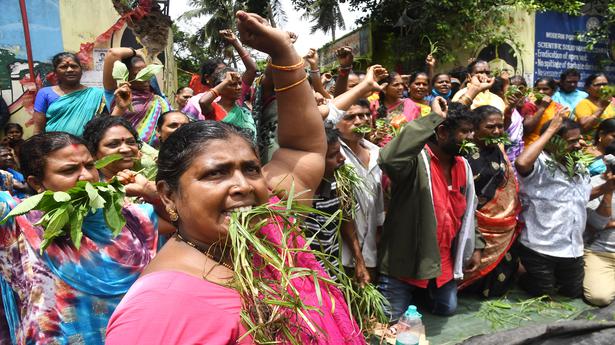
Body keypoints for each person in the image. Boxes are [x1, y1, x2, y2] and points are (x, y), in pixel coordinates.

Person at [106, 12, 363, 344]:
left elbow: (301, 149)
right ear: (168, 195)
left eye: (251, 168)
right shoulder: (160, 307)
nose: (243, 186)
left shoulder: (268, 223)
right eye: (216, 174)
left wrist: (284, 54)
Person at [0, 132, 168, 344]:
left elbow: (182, 220)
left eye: (90, 166)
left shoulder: (126, 216)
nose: (87, 176)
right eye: (69, 170)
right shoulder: (19, 222)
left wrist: (150, 191)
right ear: (36, 183)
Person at [377, 94, 489, 319]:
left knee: (447, 309)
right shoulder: (414, 161)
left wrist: (475, 246)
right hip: (404, 264)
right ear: (442, 132)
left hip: (443, 263)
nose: (471, 137)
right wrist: (433, 118)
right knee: (390, 321)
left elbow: (468, 211)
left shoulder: (463, 166)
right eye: (464, 132)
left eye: (472, 131)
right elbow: (388, 159)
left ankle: (422, 294)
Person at [515, 113, 615, 298]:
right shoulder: (540, 164)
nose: (578, 145)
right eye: (572, 141)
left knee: (572, 294)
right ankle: (520, 269)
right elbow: (521, 162)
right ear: (553, 142)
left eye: (579, 139)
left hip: (572, 248)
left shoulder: (579, 166)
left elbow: (580, 195)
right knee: (544, 294)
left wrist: (605, 188)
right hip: (540, 246)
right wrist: (551, 129)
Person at [458, 105, 520, 297]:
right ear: (475, 128)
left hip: (503, 225)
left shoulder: (499, 148)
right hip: (474, 223)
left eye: (500, 126)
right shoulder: (463, 155)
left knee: (500, 280)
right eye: (490, 127)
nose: (497, 131)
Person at [304, 126, 370, 284]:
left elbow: (347, 220)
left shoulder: (339, 184)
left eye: (340, 151)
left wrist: (359, 261)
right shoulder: (297, 193)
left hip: (332, 274)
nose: (342, 159)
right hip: (304, 279)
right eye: (333, 155)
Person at [334, 99, 385, 283]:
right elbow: (343, 211)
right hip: (343, 253)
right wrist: (358, 258)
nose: (359, 121)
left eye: (364, 115)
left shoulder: (378, 153)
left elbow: (379, 207)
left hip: (371, 249)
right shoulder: (335, 156)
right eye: (350, 117)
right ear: (336, 122)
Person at [182, 29, 257, 121]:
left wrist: (235, 42)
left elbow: (252, 70)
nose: (228, 74)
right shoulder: (195, 102)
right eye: (220, 71)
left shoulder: (235, 95)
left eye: (227, 70)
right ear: (207, 78)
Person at [102, 48, 171, 147]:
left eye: (146, 72)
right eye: (137, 74)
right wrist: (137, 52)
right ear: (126, 77)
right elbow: (113, 53)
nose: (145, 77)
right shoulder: (117, 94)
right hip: (127, 152)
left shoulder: (156, 96)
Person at [33, 52, 105, 136]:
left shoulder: (96, 94)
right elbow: (38, 130)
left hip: (86, 147)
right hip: (54, 146)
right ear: (55, 72)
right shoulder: (45, 93)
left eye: (74, 66)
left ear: (81, 70)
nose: (70, 70)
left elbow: (105, 125)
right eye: (63, 67)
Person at [584, 143, 615, 307]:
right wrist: (608, 190)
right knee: (599, 297)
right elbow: (595, 224)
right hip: (601, 253)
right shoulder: (592, 185)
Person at [82, 116, 143, 181]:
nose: (126, 149)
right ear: (93, 152)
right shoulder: (87, 183)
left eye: (131, 142)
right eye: (113, 144)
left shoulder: (149, 175)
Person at [523, 77, 565, 146]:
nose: (541, 92)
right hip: (530, 146)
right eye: (538, 89)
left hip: (549, 148)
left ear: (553, 91)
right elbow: (528, 129)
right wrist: (542, 108)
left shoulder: (558, 108)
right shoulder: (529, 105)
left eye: (545, 89)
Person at [575, 73, 615, 139]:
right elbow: (585, 126)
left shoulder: (612, 101)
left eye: (605, 84)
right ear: (588, 88)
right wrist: (602, 108)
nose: (602, 87)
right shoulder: (584, 104)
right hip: (592, 142)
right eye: (597, 85)